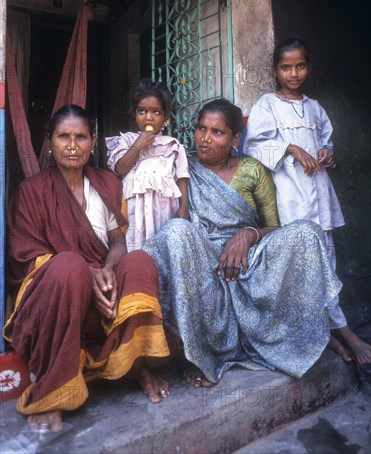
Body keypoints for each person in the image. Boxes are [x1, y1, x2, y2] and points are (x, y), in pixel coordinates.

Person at [143, 98, 344, 387]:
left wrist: (247, 235)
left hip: (250, 256)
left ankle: (313, 334)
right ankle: (202, 355)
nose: (205, 139)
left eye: (217, 132)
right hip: (202, 256)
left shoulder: (252, 170)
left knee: (306, 232)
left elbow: (274, 228)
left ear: (236, 138)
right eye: (201, 129)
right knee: (176, 231)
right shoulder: (182, 165)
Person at [3, 104, 170, 432]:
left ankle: (137, 364)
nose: (71, 144)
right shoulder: (30, 192)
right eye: (63, 136)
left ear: (93, 142)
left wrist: (107, 269)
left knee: (138, 261)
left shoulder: (107, 184)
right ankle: (54, 388)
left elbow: (118, 244)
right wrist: (87, 272)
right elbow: (25, 258)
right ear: (49, 142)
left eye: (80, 137)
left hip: (100, 292)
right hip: (56, 297)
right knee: (69, 266)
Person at [244, 37, 371, 365]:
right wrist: (291, 148)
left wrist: (327, 152)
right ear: (275, 70)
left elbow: (326, 139)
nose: (294, 73)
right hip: (289, 197)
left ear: (308, 67)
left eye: (300, 66)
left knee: (326, 262)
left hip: (319, 195)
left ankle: (331, 329)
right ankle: (337, 332)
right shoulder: (267, 105)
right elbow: (253, 145)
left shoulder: (315, 108)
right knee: (302, 267)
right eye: (286, 67)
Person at [106, 79, 190, 251]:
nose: (149, 117)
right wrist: (137, 146)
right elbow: (120, 168)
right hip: (134, 211)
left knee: (164, 249)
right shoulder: (126, 141)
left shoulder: (173, 145)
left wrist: (184, 207)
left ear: (165, 117)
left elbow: (182, 177)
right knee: (135, 250)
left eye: (156, 112)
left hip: (164, 211)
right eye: (142, 111)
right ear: (134, 115)